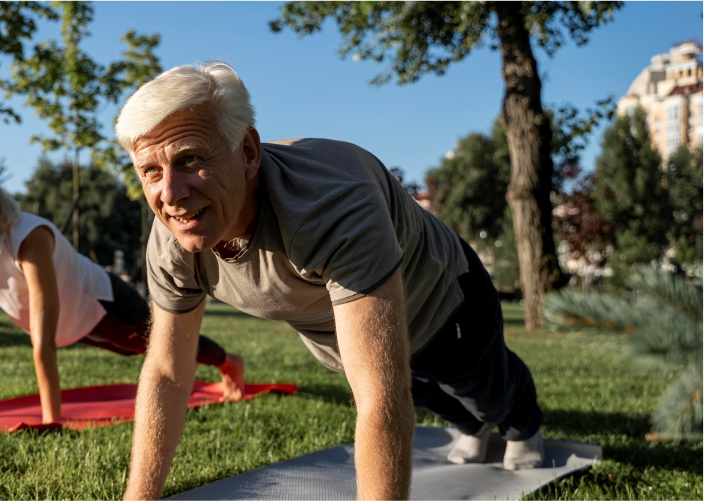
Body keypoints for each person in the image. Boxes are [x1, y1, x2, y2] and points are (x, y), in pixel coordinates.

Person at [114, 61, 545, 500]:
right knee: (427, 392)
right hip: (344, 332)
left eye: (190, 159)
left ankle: (522, 426)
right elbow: (168, 371)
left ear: (247, 152)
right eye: (150, 170)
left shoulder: (332, 202)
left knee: (481, 386)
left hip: (443, 299)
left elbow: (380, 394)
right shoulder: (173, 236)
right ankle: (473, 427)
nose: (170, 194)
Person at [0, 159, 246, 424]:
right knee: (139, 348)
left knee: (159, 344)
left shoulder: (28, 238)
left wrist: (52, 420)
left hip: (103, 304)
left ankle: (229, 362)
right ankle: (224, 360)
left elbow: (43, 336)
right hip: (71, 322)